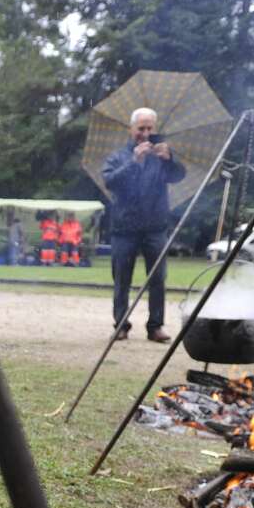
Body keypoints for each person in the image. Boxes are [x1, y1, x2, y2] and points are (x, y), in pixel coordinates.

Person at [102, 106, 185, 341]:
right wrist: (134, 162)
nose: (146, 133)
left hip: (155, 227)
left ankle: (155, 326)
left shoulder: (162, 156)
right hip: (124, 229)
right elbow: (110, 181)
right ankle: (121, 325)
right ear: (132, 129)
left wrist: (170, 160)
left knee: (157, 279)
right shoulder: (118, 156)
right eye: (141, 128)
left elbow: (179, 176)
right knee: (121, 279)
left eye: (150, 128)